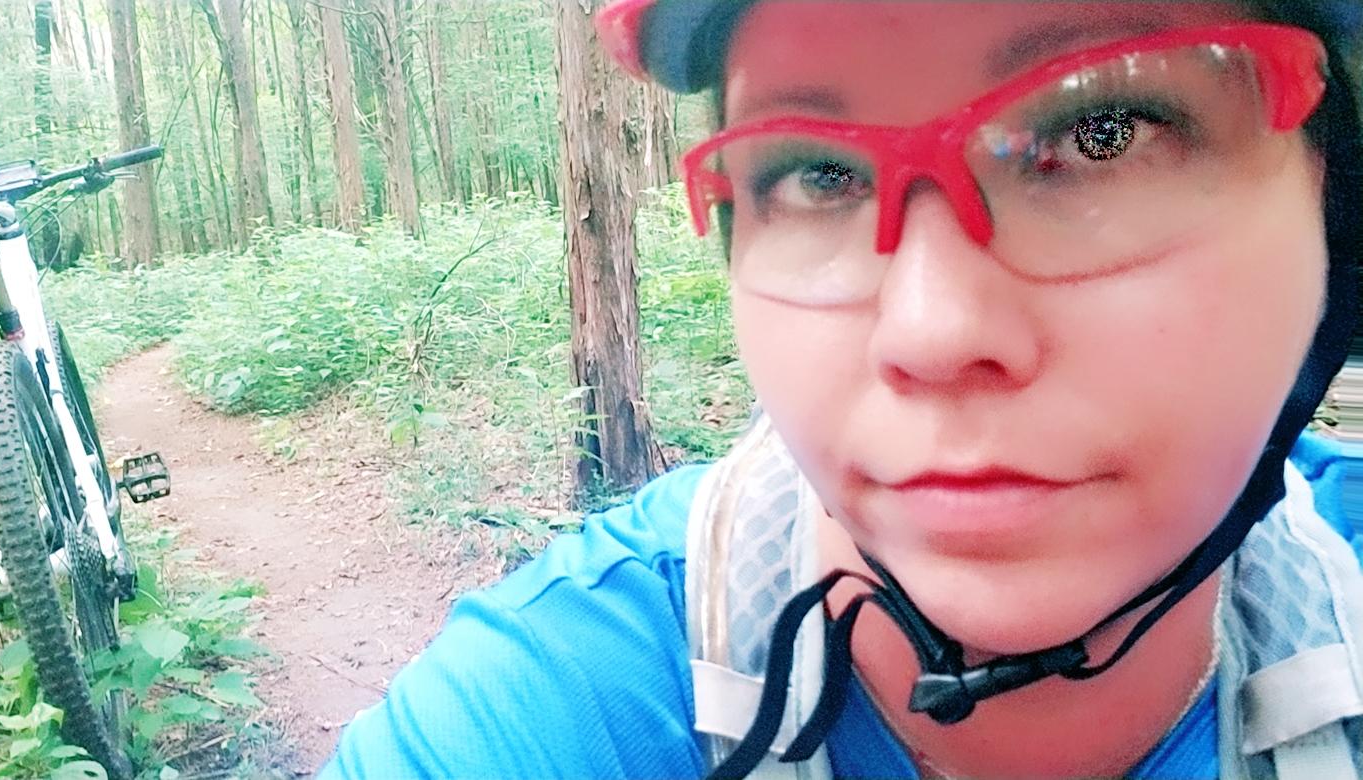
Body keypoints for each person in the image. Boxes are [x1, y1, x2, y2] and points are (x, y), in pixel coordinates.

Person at [321, 1, 1363, 777]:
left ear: (1332, 208)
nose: (932, 332)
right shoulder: (561, 707)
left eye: (1102, 133)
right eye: (817, 173)